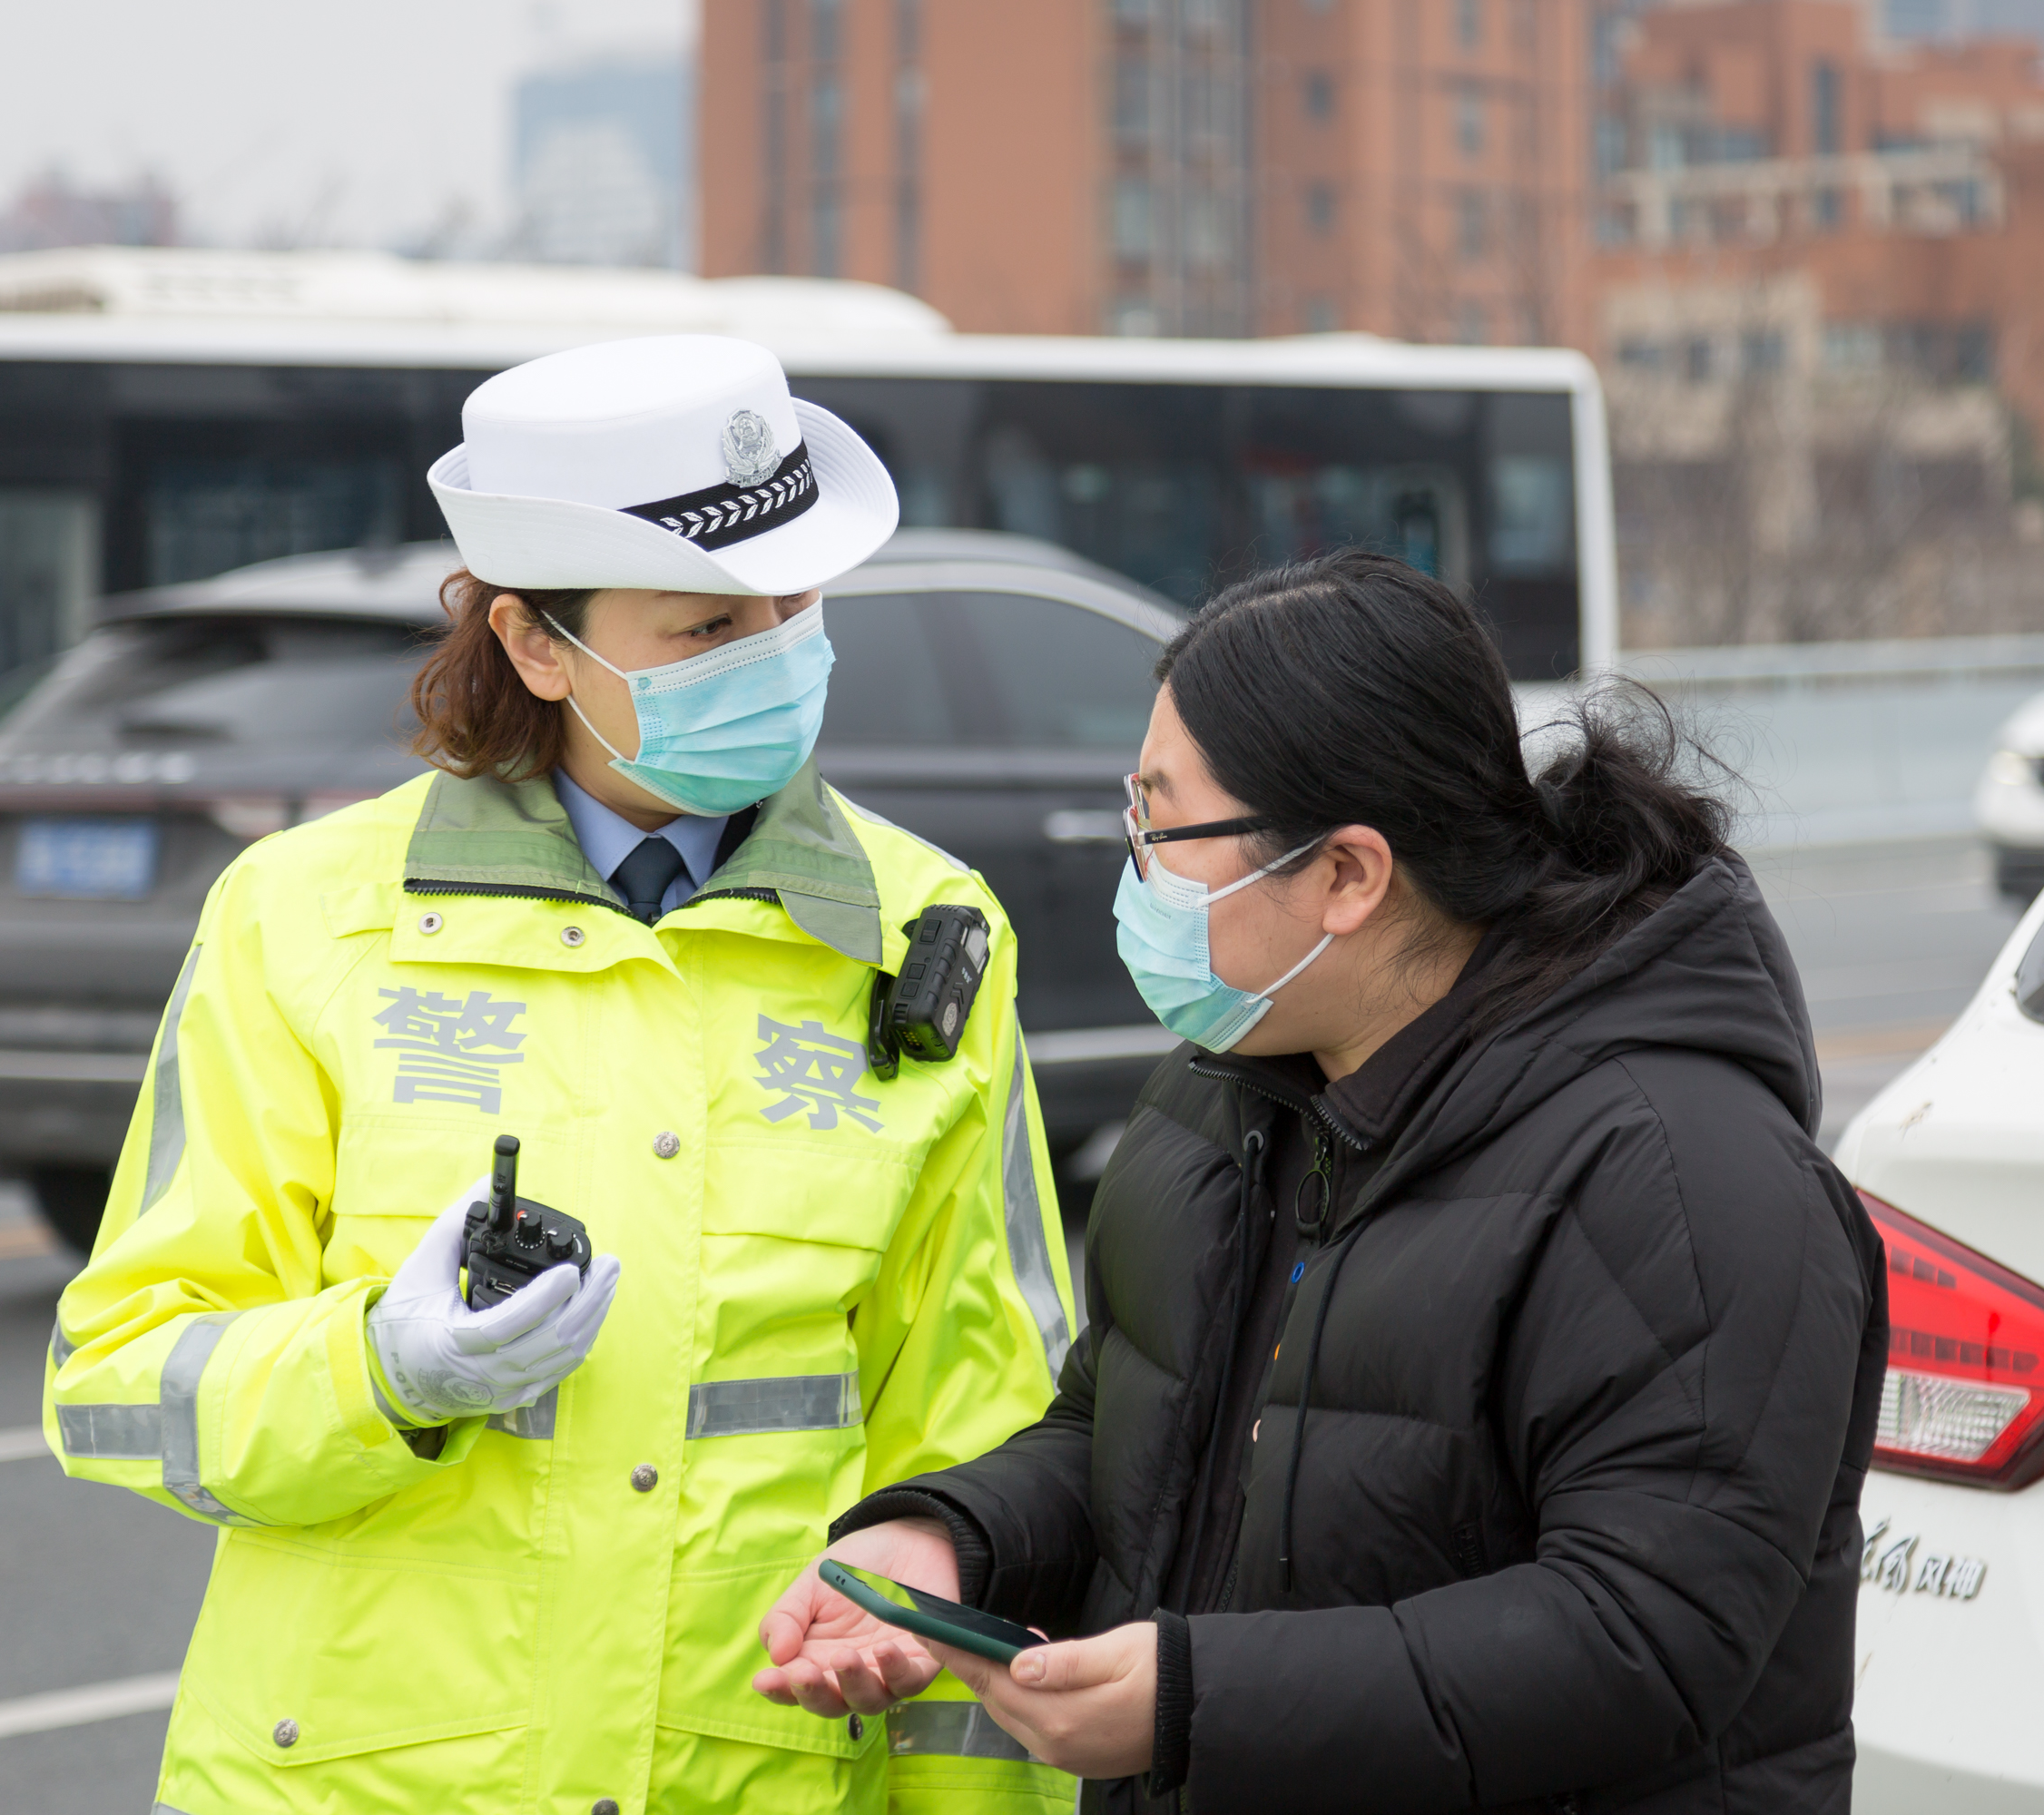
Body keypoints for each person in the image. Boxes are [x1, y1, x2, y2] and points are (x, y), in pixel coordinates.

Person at [45, 335, 1076, 1815]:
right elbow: (117, 1386)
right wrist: (378, 1374)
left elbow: (987, 1449)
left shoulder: (926, 936)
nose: (778, 652)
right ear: (537, 645)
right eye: (711, 623)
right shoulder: (304, 917)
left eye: (798, 606)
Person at [754, 548, 1889, 1813]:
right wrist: (953, 1540)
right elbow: (1123, 1430)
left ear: (1348, 874)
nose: (1136, 866)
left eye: (1163, 822)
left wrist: (1194, 1699)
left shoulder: (1682, 1177)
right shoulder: (1223, 1091)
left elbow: (1643, 1636)